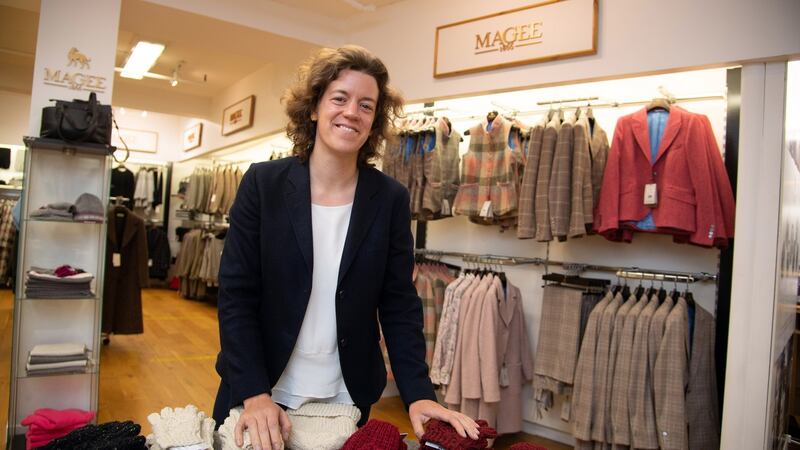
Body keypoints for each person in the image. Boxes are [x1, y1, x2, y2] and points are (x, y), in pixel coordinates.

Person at [213, 45, 480, 450]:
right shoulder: (262, 184)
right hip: (261, 389)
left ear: (374, 122)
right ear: (315, 107)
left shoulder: (389, 197)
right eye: (339, 98)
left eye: (366, 105)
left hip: (345, 395)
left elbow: (398, 303)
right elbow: (236, 295)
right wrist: (254, 394)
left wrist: (419, 393)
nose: (351, 112)